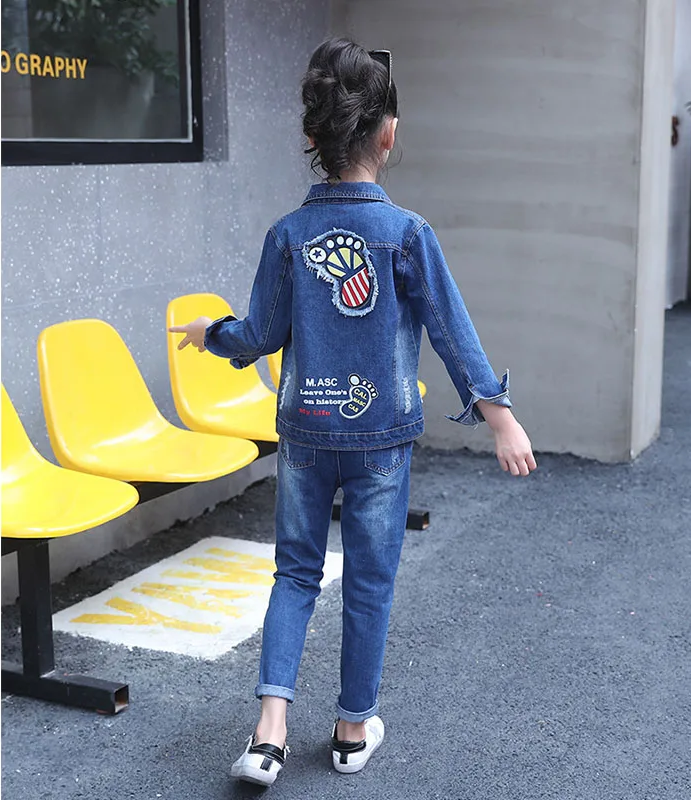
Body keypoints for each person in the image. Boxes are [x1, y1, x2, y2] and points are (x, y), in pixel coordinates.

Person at [168, 36, 537, 787]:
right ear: (388, 134)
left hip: (306, 432)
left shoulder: (288, 235)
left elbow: (260, 334)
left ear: (313, 137)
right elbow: (450, 328)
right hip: (380, 441)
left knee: (295, 574)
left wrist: (212, 335)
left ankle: (269, 731)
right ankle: (349, 730)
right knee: (369, 582)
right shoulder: (407, 234)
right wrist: (498, 415)